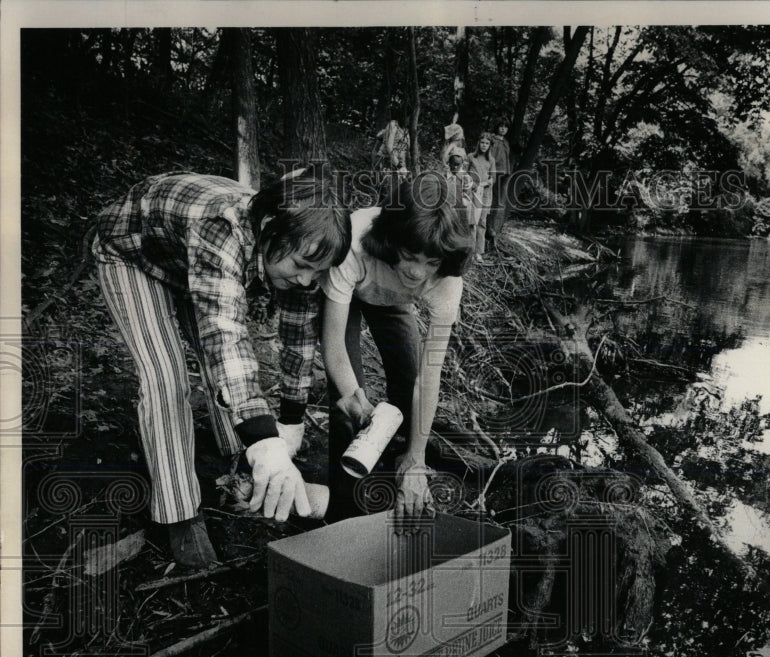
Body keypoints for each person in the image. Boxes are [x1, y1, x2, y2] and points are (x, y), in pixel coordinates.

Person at [92, 169, 350, 568]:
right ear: (269, 228)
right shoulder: (221, 227)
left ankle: (238, 458)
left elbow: (299, 337)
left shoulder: (302, 253)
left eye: (317, 272)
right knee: (166, 376)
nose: (306, 280)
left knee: (224, 371)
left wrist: (292, 420)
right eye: (301, 265)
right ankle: (179, 514)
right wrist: (266, 440)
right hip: (133, 255)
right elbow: (225, 334)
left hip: (187, 260)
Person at [318, 173, 473, 523]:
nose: (419, 273)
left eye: (431, 263)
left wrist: (416, 458)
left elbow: (428, 376)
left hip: (394, 302)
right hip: (350, 295)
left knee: (408, 380)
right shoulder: (355, 240)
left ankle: (402, 470)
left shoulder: (446, 276)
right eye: (410, 257)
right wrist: (360, 409)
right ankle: (344, 505)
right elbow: (334, 347)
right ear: (392, 242)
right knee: (347, 401)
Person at [466, 133, 495, 260]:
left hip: (485, 194)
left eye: (487, 143)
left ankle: (479, 251)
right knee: (472, 221)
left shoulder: (491, 160)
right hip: (471, 193)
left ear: (489, 145)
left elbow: (493, 178)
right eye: (482, 142)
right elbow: (464, 173)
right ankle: (470, 251)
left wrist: (484, 183)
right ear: (478, 143)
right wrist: (470, 183)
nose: (484, 145)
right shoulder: (471, 156)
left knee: (482, 222)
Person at [485, 120, 512, 245]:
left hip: (504, 173)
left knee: (499, 201)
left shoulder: (505, 141)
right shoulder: (492, 140)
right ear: (497, 127)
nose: (503, 129)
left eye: (505, 127)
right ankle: (488, 227)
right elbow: (490, 157)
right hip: (495, 173)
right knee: (492, 200)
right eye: (501, 126)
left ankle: (493, 227)